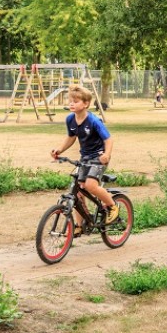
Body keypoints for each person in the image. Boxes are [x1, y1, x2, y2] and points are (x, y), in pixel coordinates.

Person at [50, 85, 117, 232]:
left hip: (99, 157)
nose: (71, 104)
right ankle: (80, 225)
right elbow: (71, 137)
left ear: (86, 104)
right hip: (85, 157)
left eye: (76, 101)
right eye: (70, 101)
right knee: (78, 190)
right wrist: (59, 149)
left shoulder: (93, 121)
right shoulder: (70, 119)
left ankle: (112, 206)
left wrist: (106, 155)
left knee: (91, 186)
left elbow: (109, 139)